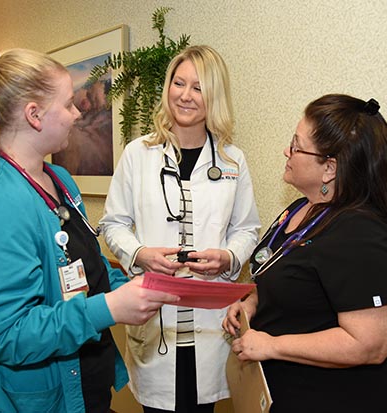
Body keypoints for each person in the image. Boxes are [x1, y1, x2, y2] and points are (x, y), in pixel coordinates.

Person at [0, 48, 179, 413]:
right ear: (34, 115)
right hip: (17, 401)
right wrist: (111, 308)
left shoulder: (59, 180)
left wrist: (131, 286)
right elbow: (7, 335)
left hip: (81, 388)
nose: (77, 113)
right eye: (67, 105)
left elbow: (84, 269)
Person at [223, 94, 387, 413]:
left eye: (296, 146)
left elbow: (369, 345)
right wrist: (253, 303)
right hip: (285, 392)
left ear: (329, 168)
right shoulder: (301, 209)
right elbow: (289, 279)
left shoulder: (364, 235)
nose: (287, 151)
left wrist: (271, 346)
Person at [100, 45, 261, 413]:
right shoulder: (138, 154)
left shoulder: (233, 160)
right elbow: (113, 223)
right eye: (179, 83)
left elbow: (247, 229)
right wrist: (140, 253)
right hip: (156, 317)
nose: (185, 95)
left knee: (203, 406)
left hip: (209, 322)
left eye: (198, 87)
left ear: (214, 96)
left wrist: (228, 257)